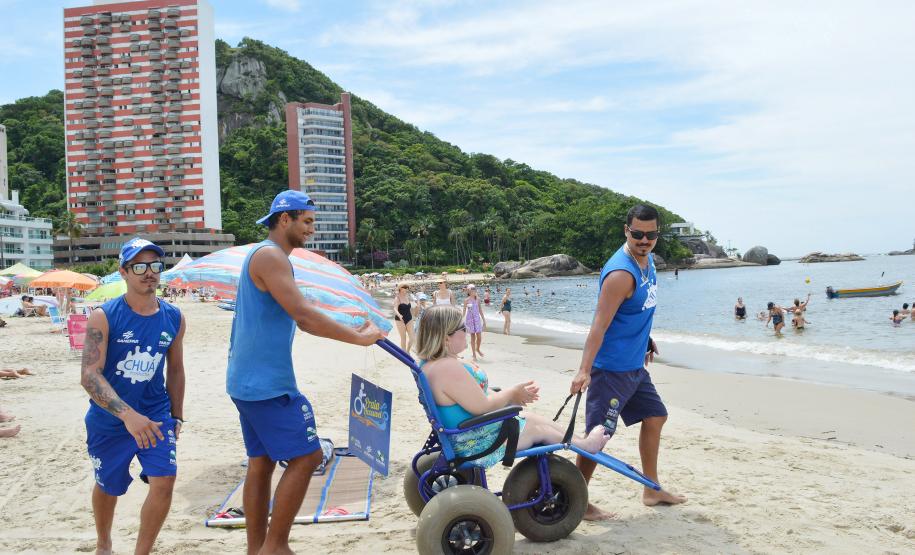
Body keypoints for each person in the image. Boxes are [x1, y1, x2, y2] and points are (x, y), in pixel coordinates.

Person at [226, 190, 384, 555]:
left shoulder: (265, 256)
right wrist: (358, 340)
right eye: (308, 221)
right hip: (267, 384)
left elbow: (299, 307)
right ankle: (276, 546)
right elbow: (304, 316)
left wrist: (349, 322)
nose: (311, 229)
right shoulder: (270, 256)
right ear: (285, 219)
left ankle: (257, 548)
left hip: (247, 380)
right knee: (308, 456)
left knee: (262, 463)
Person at [569, 204, 686, 521]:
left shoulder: (648, 264)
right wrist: (583, 370)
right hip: (610, 370)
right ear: (626, 230)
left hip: (635, 367)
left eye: (650, 235)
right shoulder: (621, 274)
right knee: (598, 435)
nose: (644, 240)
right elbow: (599, 326)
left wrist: (645, 339)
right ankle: (575, 502)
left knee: (656, 416)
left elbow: (637, 311)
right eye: (637, 234)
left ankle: (651, 489)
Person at [79, 237, 186, 555]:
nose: (149, 272)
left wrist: (177, 415)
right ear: (123, 272)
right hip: (109, 421)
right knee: (107, 485)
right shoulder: (104, 316)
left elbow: (176, 370)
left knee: (164, 481)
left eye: (155, 265)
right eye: (139, 266)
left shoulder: (174, 317)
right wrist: (128, 416)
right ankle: (104, 543)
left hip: (155, 415)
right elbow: (89, 375)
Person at [417, 305, 608, 467]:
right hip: (474, 442)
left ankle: (581, 443)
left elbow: (472, 396)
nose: (468, 329)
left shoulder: (431, 364)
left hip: (467, 433)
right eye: (462, 328)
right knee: (535, 427)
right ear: (446, 337)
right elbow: (481, 406)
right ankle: (585, 447)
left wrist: (511, 397)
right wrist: (511, 393)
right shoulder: (447, 367)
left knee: (529, 418)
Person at [462, 284, 486, 361]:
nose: (474, 291)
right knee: (473, 337)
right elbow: (464, 312)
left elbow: (480, 310)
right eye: (472, 290)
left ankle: (477, 349)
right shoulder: (466, 300)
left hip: (477, 319)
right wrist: (461, 321)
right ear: (469, 291)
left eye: (474, 290)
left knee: (479, 337)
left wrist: (484, 320)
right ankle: (474, 354)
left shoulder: (478, 299)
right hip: (470, 320)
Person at [393, 284, 416, 353]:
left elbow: (410, 307)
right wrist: (399, 315)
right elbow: (395, 308)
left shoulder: (407, 296)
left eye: (407, 287)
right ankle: (404, 353)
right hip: (400, 320)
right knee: (403, 338)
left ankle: (408, 351)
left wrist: (415, 312)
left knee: (412, 338)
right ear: (400, 288)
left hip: (409, 318)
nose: (407, 289)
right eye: (405, 287)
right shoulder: (397, 298)